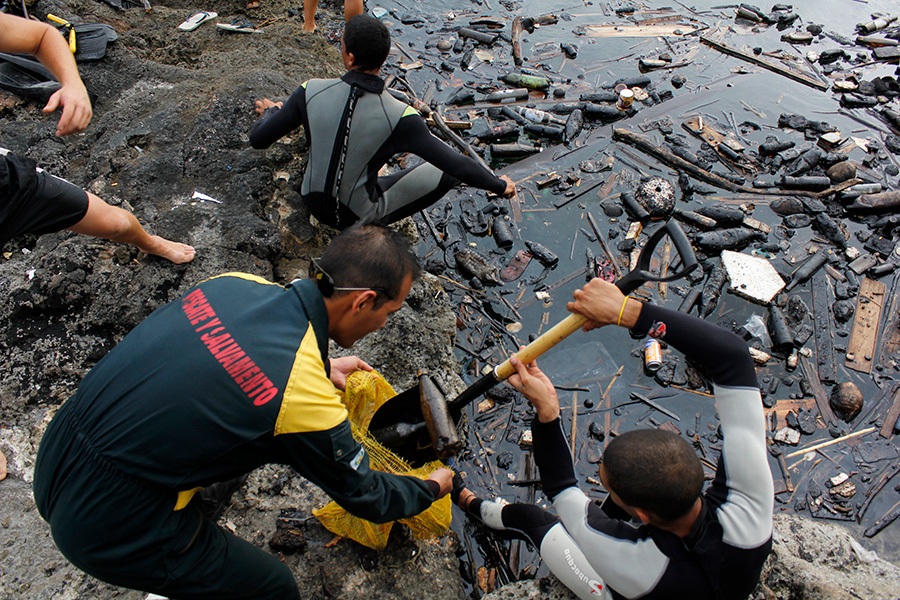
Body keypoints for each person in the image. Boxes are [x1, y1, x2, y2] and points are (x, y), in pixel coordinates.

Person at [33, 224, 454, 599]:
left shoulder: (232, 284)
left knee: (246, 437)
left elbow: (226, 355)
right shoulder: (301, 394)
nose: (384, 325)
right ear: (363, 302)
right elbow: (368, 497)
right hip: (107, 526)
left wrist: (321, 365)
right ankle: (170, 572)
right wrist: (430, 488)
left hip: (57, 456)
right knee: (274, 587)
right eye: (389, 312)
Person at [454, 278, 774, 600]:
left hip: (626, 590)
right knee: (603, 513)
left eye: (608, 486)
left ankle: (467, 501)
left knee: (533, 520)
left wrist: (547, 408)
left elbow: (562, 489)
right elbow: (734, 357)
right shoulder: (750, 510)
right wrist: (628, 311)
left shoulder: (633, 562)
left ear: (643, 516)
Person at [250, 14, 515, 230]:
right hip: (356, 218)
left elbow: (259, 140)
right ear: (383, 58)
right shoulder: (400, 116)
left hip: (312, 200)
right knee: (446, 172)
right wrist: (500, 185)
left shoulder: (309, 91)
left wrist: (272, 111)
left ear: (350, 57)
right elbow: (457, 164)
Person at [0, 13, 195, 264]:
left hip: (9, 187)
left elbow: (42, 36)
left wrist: (72, 84)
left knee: (116, 224)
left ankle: (149, 242)